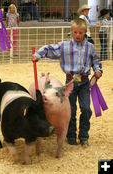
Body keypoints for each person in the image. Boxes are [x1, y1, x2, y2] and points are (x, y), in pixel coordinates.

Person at [32, 18, 102, 146]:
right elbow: (49, 49)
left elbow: (96, 61)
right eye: (75, 32)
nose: (77, 35)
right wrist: (38, 54)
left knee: (86, 109)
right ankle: (70, 136)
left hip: (85, 82)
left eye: (80, 33)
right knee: (72, 110)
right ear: (71, 32)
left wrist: (98, 71)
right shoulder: (64, 46)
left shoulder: (90, 47)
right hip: (70, 82)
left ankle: (84, 136)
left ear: (85, 32)